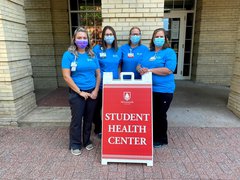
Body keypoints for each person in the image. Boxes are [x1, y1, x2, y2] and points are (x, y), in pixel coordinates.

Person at [62, 27, 100, 155]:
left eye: (84, 38)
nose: (82, 40)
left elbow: (98, 74)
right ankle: (75, 144)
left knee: (89, 119)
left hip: (91, 92)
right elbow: (66, 76)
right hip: (77, 92)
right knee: (77, 119)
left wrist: (95, 91)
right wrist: (79, 92)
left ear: (88, 40)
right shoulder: (68, 55)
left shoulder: (92, 54)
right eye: (79, 38)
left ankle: (86, 141)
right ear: (74, 39)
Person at [137, 28, 177, 148]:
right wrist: (140, 69)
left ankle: (161, 139)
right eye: (156, 37)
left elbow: (169, 70)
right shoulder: (148, 52)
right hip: (148, 90)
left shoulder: (169, 52)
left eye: (161, 37)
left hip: (164, 90)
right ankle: (152, 136)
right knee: (151, 114)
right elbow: (139, 64)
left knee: (160, 114)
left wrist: (149, 70)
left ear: (165, 39)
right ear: (153, 39)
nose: (158, 39)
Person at [93, 26, 122, 138]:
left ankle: (111, 127)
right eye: (107, 34)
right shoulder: (97, 49)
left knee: (112, 108)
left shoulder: (118, 50)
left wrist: (119, 81)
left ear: (114, 36)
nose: (109, 36)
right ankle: (98, 129)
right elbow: (94, 67)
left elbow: (119, 66)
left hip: (114, 85)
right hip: (100, 85)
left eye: (111, 34)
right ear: (103, 36)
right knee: (97, 108)